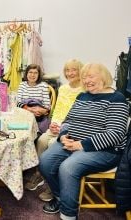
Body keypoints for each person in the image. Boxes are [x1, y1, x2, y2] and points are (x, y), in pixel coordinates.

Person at [39, 63, 129, 220]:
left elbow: (115, 134)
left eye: (91, 76)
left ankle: (68, 214)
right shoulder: (82, 96)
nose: (87, 80)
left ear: (103, 77)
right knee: (45, 161)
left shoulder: (117, 99)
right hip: (72, 142)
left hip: (104, 150)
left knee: (68, 167)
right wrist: (63, 135)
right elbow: (68, 120)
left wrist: (81, 145)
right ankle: (61, 197)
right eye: (84, 77)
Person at [24, 59, 84, 202]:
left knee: (51, 144)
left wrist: (63, 126)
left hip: (71, 129)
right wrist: (53, 123)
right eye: (68, 70)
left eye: (74, 69)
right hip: (57, 125)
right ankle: (40, 173)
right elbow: (58, 110)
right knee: (42, 140)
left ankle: (53, 184)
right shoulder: (63, 88)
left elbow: (80, 115)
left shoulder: (85, 90)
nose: (70, 73)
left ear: (81, 70)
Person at [17, 64, 50, 134]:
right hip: (24, 112)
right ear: (26, 74)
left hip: (39, 115)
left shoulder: (43, 85)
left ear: (39, 75)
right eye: (30, 72)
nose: (32, 75)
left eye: (35, 73)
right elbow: (17, 102)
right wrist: (29, 109)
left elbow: (47, 106)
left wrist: (41, 111)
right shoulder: (22, 85)